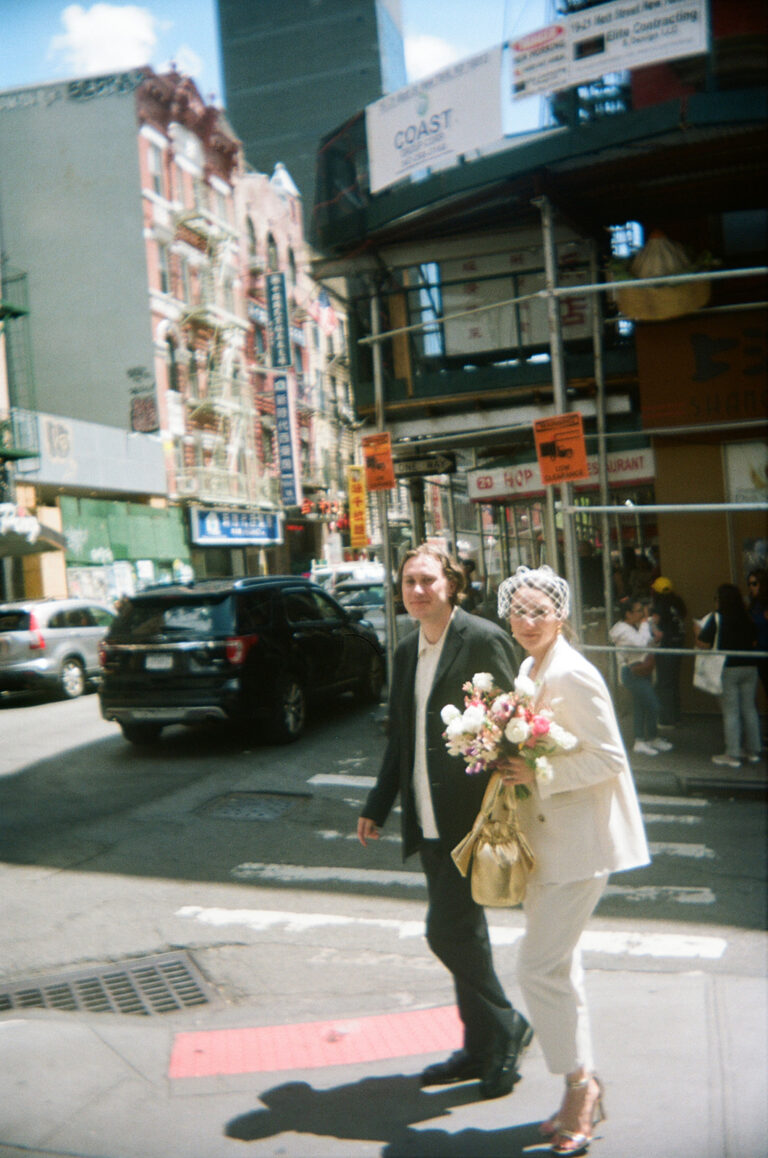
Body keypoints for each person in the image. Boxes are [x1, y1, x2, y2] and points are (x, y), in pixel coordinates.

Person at [357, 544, 532, 1100]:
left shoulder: (481, 638)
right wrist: (377, 804)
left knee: (446, 931)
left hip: (472, 816)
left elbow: (515, 719)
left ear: (451, 585)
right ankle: (479, 1047)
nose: (417, 590)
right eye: (409, 581)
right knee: (464, 935)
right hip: (426, 814)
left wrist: (515, 773)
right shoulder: (407, 649)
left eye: (428, 580)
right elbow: (402, 735)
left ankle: (505, 1029)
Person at [496, 565, 650, 1156]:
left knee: (537, 968)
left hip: (580, 846)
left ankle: (580, 1086)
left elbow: (609, 758)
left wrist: (536, 771)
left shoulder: (573, 672)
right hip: (546, 843)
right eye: (519, 611)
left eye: (540, 611)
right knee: (561, 968)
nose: (528, 621)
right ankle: (579, 1086)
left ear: (560, 616)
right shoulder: (529, 669)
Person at [694, 583, 760, 768]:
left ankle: (732, 754)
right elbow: (754, 641)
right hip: (750, 667)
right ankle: (753, 751)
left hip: (728, 668)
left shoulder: (717, 618)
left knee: (731, 712)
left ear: (720, 600)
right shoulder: (747, 617)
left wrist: (697, 631)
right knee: (749, 709)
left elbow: (704, 644)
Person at [609, 598, 672, 757]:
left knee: (641, 707)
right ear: (628, 614)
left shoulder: (634, 626)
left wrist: (653, 634)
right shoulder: (622, 630)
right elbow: (641, 643)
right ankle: (642, 740)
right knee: (653, 705)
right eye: (639, 611)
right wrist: (645, 624)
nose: (643, 614)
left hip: (643, 669)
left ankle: (647, 739)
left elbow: (647, 643)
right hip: (632, 671)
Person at [650, 576, 687, 729]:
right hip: (678, 644)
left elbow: (653, 623)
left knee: (665, 683)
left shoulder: (660, 605)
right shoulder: (678, 604)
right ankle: (676, 717)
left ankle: (666, 720)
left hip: (666, 646)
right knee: (673, 682)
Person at [746, 569, 768, 701]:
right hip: (758, 653)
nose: (751, 587)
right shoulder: (753, 605)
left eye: (754, 584)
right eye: (749, 584)